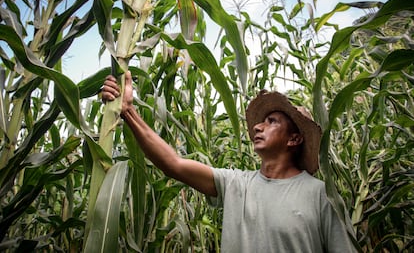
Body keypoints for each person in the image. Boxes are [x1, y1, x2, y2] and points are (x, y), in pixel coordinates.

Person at [101, 71, 356, 252]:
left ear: (294, 139)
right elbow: (173, 164)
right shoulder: (236, 184)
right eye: (261, 121)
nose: (258, 126)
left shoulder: (321, 196)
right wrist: (128, 112)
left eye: (272, 122)